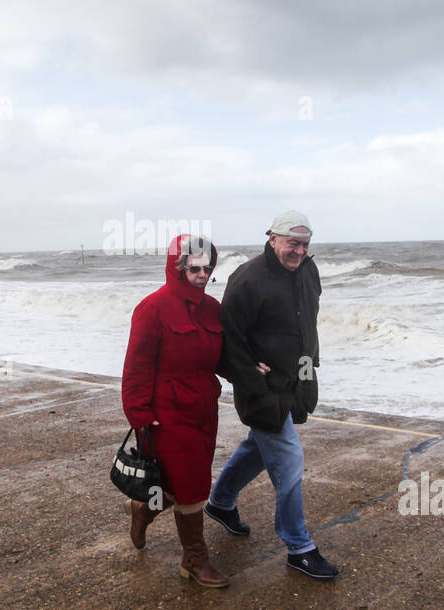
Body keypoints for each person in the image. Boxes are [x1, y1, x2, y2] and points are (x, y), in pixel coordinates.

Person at [205, 210, 339, 580]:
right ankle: (299, 546)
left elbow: (306, 322)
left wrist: (310, 369)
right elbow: (228, 336)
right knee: (290, 461)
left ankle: (220, 502)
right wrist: (248, 371)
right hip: (260, 388)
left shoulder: (308, 271)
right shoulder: (247, 278)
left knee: (259, 448)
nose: (298, 251)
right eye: (292, 243)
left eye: (305, 244)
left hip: (296, 380)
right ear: (272, 238)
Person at [121, 233, 228, 588]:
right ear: (178, 267)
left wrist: (253, 368)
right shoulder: (152, 308)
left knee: (174, 485)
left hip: (204, 408)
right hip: (166, 413)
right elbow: (136, 366)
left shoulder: (213, 309)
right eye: (194, 268)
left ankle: (142, 511)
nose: (201, 274)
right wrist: (138, 414)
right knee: (193, 484)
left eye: (207, 268)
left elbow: (222, 357)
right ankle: (194, 560)